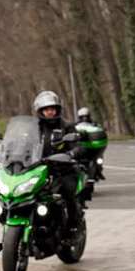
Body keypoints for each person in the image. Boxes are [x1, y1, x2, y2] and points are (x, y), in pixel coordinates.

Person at [31, 90, 84, 222]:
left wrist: (70, 154)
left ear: (57, 109)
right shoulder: (34, 127)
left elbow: (78, 146)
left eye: (52, 109)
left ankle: (73, 224)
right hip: (38, 168)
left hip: (62, 169)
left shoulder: (66, 126)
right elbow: (23, 143)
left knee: (68, 192)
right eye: (46, 109)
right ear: (40, 111)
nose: (50, 112)